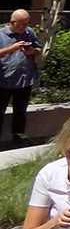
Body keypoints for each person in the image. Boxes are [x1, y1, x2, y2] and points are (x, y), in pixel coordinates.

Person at [0, 9, 42, 145]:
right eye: (21, 25)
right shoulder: (1, 35)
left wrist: (31, 52)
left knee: (20, 113)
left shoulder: (29, 33)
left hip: (25, 80)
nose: (24, 28)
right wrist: (11, 49)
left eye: (27, 24)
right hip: (4, 81)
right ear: (12, 22)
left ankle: (18, 141)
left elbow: (38, 49)